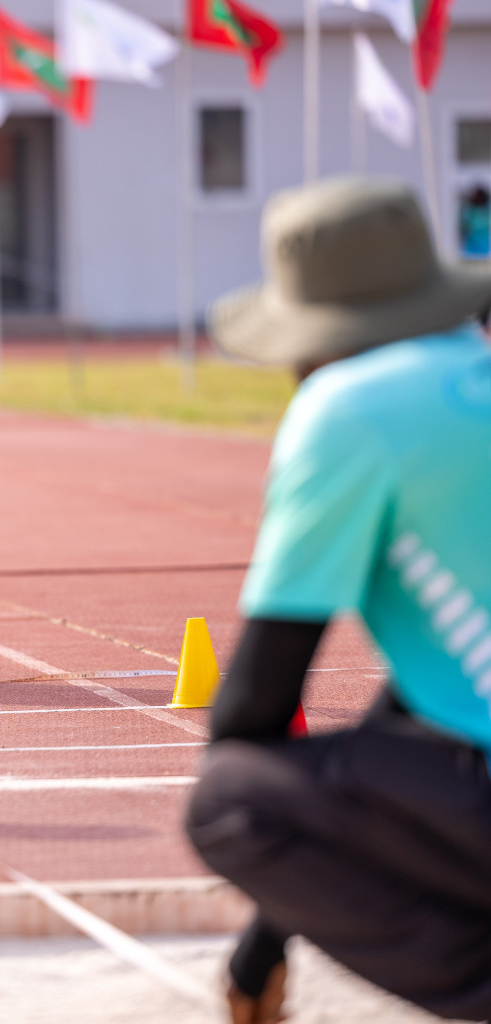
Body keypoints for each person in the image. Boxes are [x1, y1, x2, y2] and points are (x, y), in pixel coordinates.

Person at [186, 177, 491, 1023]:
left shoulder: (348, 411)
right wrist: (261, 947)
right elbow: (421, 704)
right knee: (402, 733)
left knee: (234, 799)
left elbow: (250, 710)